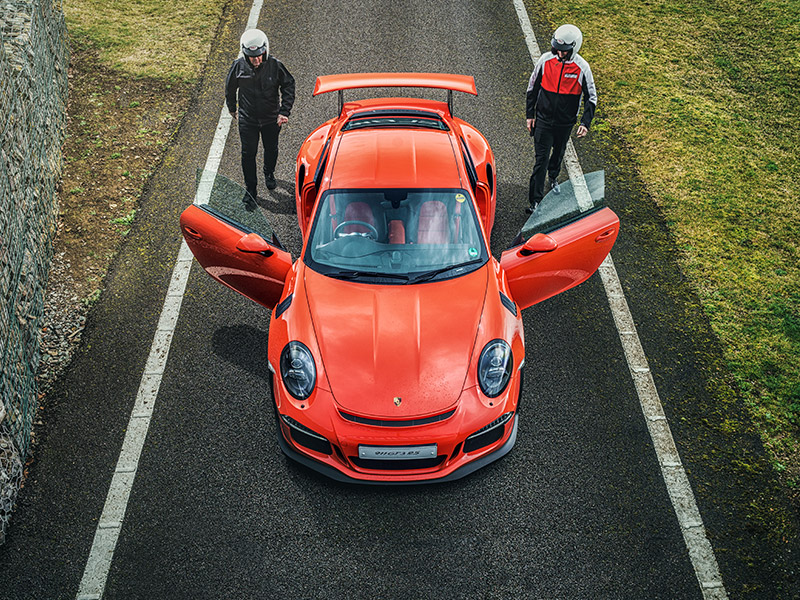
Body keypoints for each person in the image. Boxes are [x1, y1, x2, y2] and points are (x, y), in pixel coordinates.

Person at [525, 24, 597, 214]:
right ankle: (535, 202)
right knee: (540, 160)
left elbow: (592, 97)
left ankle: (554, 176)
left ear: (574, 48)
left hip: (565, 124)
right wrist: (529, 115)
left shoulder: (583, 68)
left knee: (558, 152)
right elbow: (532, 88)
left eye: (563, 50)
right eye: (556, 48)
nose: (558, 52)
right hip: (543, 120)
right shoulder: (545, 60)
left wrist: (585, 123)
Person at [226, 29, 295, 200]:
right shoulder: (237, 66)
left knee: (271, 149)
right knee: (248, 154)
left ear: (265, 51)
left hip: (271, 119)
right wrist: (232, 108)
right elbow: (230, 88)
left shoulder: (275, 65)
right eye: (251, 56)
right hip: (247, 120)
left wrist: (284, 112)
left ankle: (269, 173)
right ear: (245, 53)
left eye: (259, 55)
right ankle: (251, 189)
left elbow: (289, 86)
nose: (256, 59)